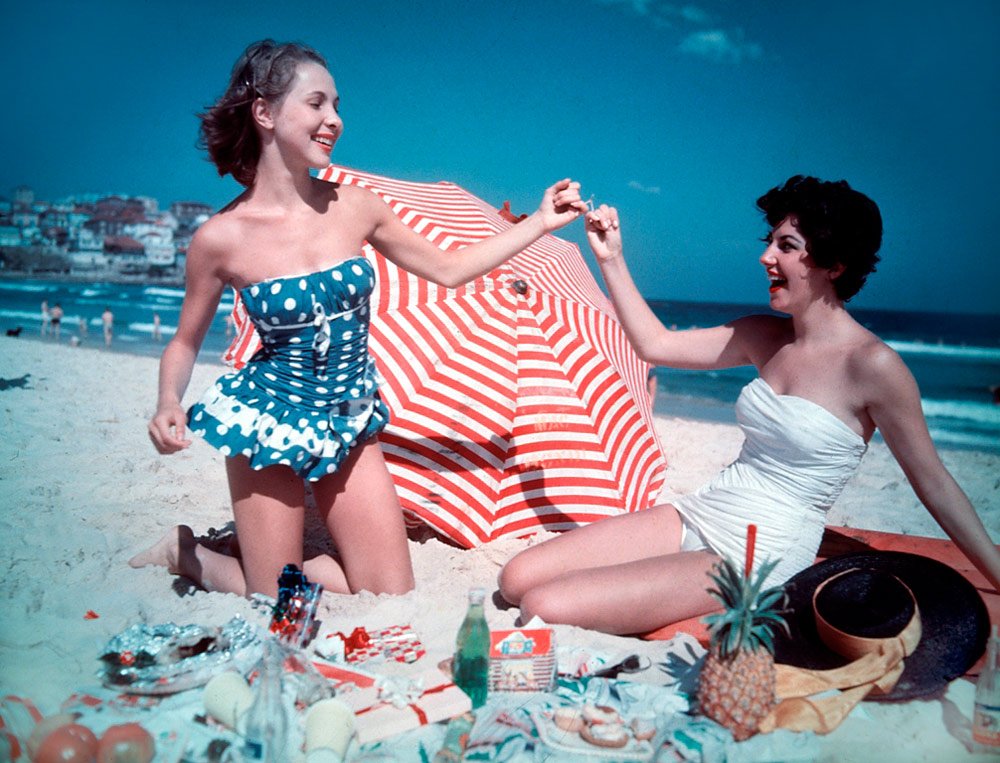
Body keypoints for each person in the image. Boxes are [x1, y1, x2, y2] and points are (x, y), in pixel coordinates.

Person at [131, 39, 586, 599]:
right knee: (276, 598)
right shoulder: (220, 238)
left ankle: (248, 563)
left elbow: (448, 269)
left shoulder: (356, 205)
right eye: (317, 103)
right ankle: (188, 554)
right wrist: (168, 402)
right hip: (267, 418)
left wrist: (538, 222)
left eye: (337, 105)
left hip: (349, 414)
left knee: (388, 592)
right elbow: (183, 341)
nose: (334, 120)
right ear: (265, 113)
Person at [498, 175, 1000, 635]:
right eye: (770, 243)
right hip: (706, 508)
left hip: (761, 549)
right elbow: (655, 345)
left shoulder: (874, 366)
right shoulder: (762, 334)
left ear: (834, 265)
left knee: (545, 606)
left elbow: (932, 480)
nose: (766, 258)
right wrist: (610, 257)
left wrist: (994, 568)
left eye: (787, 246)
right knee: (516, 578)